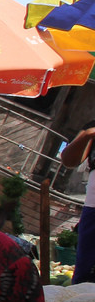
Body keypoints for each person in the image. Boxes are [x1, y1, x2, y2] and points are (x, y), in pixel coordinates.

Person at [60, 121, 95, 283]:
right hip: (93, 210)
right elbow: (69, 160)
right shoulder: (92, 128)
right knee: (85, 274)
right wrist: (87, 135)